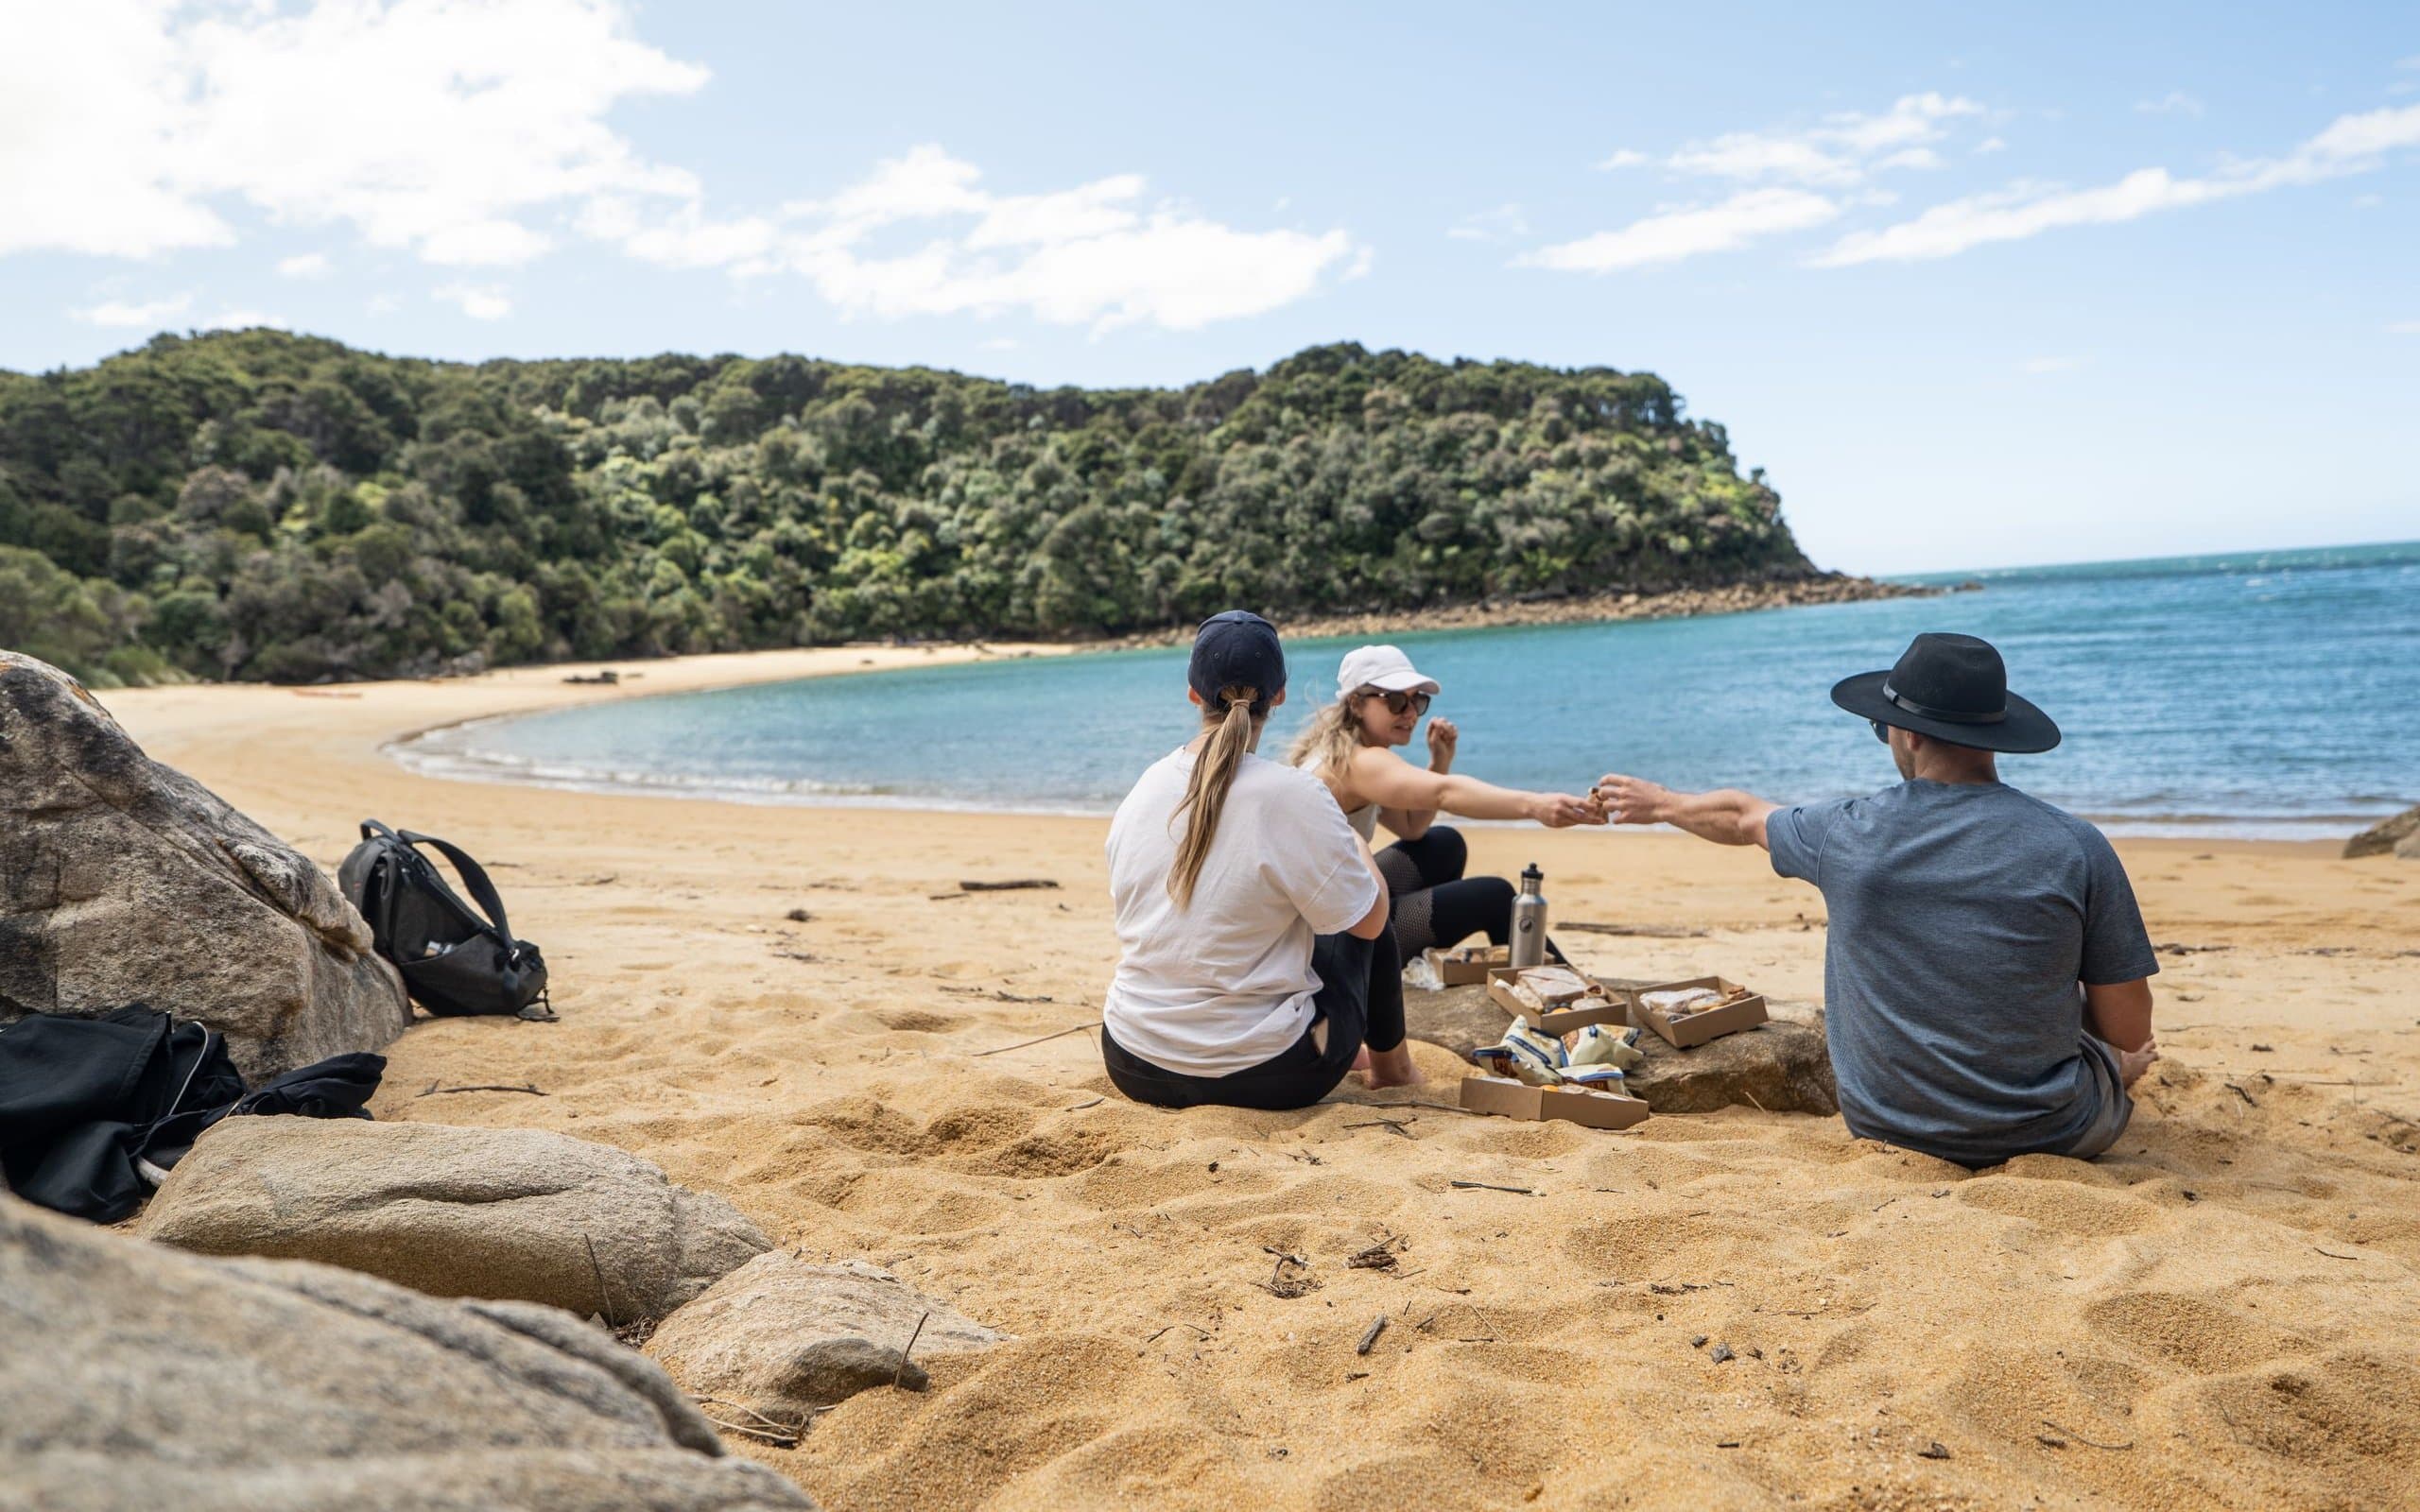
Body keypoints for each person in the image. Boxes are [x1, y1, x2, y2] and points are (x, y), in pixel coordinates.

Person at [1595, 632, 2160, 1168]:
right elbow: (2129, 1025)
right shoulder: (2075, 847)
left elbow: (1742, 816)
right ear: (1995, 736)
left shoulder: (1845, 833)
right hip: (2053, 1132)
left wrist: (1662, 803)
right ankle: (2114, 1076)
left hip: (1887, 1125)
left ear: (1909, 734)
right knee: (2109, 1031)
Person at [1099, 611, 1418, 1109]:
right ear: (1281, 696)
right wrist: (1354, 845)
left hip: (1132, 1060)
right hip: (1275, 1073)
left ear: (1191, 692)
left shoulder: (1143, 790)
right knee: (1361, 908)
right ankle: (1392, 1070)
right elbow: (1371, 923)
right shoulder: (1295, 795)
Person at [1288, 644, 1604, 971]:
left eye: (1418, 701)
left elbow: (1412, 828)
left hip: (1330, 911)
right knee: (1495, 896)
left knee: (1444, 844)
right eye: (1397, 701)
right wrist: (1535, 805)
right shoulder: (1359, 762)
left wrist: (1440, 760)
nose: (1410, 713)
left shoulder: (1341, 750)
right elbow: (1444, 794)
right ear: (1356, 702)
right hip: (1328, 942)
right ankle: (1568, 991)